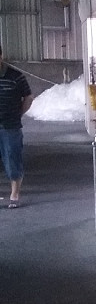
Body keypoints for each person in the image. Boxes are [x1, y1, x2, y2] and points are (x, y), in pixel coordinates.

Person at [0, 45, 32, 208]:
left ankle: (15, 193)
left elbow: (28, 97)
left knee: (13, 158)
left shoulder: (15, 76)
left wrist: (18, 113)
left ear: (1, 56)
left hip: (10, 125)